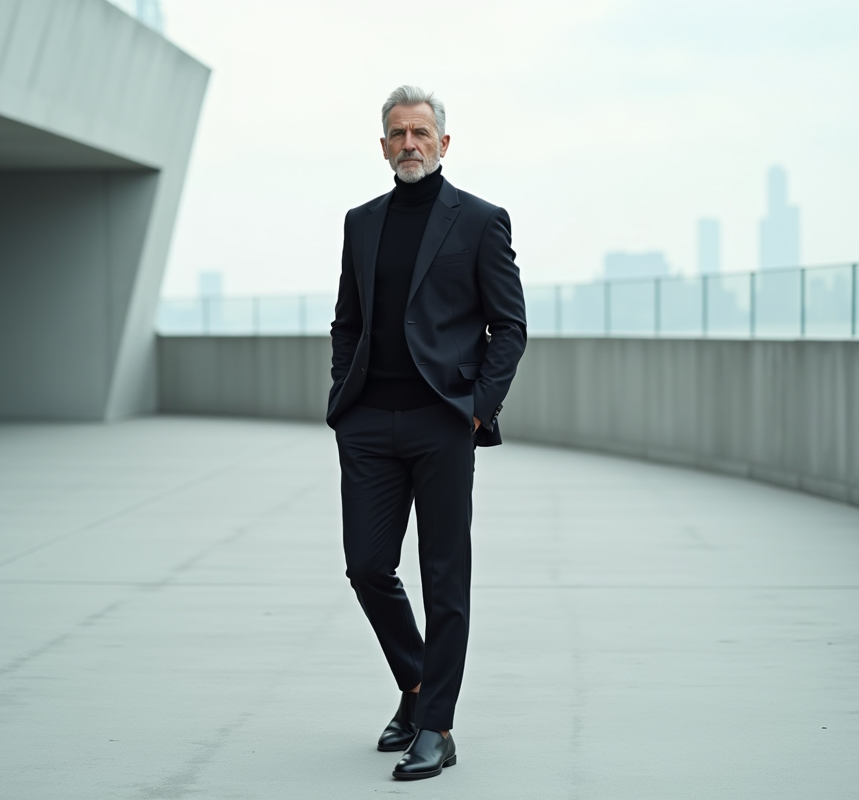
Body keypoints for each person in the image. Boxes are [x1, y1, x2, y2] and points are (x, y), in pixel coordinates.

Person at [326, 85, 527, 781]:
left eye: (421, 132)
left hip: (442, 421)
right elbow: (347, 321)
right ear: (382, 146)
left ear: (444, 141)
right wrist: (340, 400)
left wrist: (474, 409)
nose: (409, 144)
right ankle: (416, 686)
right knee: (367, 567)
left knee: (445, 580)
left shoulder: (479, 221)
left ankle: (436, 726)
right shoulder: (360, 222)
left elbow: (511, 328)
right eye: (397, 134)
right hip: (369, 424)